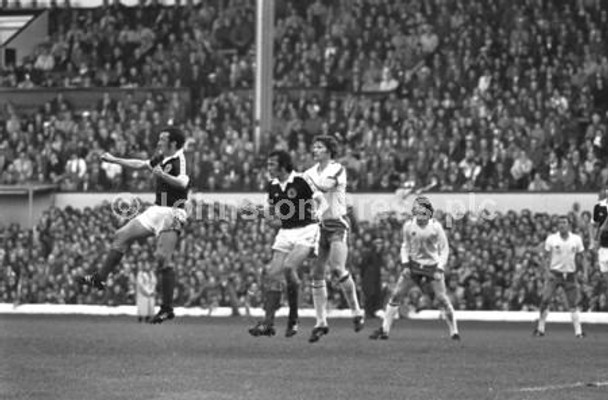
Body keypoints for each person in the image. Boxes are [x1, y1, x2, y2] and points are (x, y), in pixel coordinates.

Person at [77, 127, 189, 324]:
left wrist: (162, 175)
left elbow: (182, 183)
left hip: (173, 211)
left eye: (162, 139)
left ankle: (167, 308)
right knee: (121, 235)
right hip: (157, 209)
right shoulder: (162, 157)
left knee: (163, 257)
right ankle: (100, 278)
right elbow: (141, 164)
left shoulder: (179, 160)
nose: (158, 142)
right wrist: (115, 160)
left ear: (173, 144)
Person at [248, 150, 327, 338]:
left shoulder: (301, 180)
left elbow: (321, 200)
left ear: (283, 166)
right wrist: (262, 216)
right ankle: (268, 323)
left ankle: (293, 317)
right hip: (286, 232)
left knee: (289, 267)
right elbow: (274, 216)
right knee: (272, 273)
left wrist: (319, 216)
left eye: (272, 164)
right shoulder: (272, 186)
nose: (268, 168)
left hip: (307, 229)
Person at [370, 196, 460, 340]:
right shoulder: (408, 226)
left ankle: (454, 331)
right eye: (417, 212)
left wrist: (440, 268)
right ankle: (384, 330)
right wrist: (405, 264)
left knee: (442, 298)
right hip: (414, 265)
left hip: (432, 266)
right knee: (396, 294)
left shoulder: (436, 227)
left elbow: (444, 249)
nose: (420, 216)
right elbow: (405, 246)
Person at [304, 135, 364, 343]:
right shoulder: (309, 172)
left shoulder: (337, 169)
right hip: (320, 226)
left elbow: (324, 187)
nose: (315, 149)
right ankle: (321, 322)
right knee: (316, 273)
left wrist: (305, 183)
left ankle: (356, 311)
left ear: (329, 151)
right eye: (314, 146)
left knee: (338, 268)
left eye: (319, 146)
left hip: (337, 223)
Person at [533, 215, 586, 338]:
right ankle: (540, 329)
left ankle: (578, 332)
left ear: (569, 225)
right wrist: (547, 272)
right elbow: (544, 257)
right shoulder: (551, 239)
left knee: (573, 303)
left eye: (564, 222)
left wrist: (585, 272)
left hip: (570, 275)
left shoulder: (576, 239)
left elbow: (582, 257)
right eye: (559, 223)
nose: (561, 225)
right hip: (555, 274)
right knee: (545, 299)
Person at [592, 189, 608, 292]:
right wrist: (595, 239)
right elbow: (596, 225)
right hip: (603, 245)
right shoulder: (598, 207)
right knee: (604, 272)